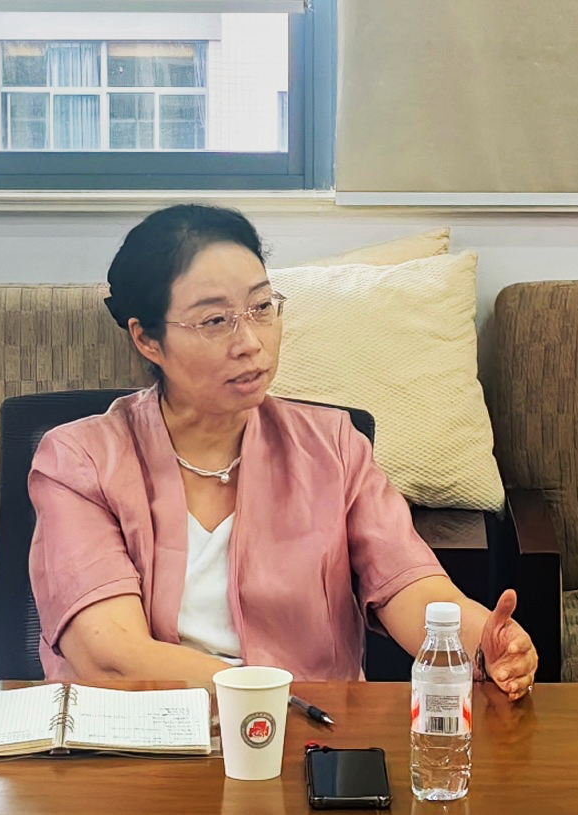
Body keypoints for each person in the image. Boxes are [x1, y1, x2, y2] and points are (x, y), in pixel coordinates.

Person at [29, 204, 538, 701]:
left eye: (261, 308)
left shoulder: (333, 447)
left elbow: (408, 585)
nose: (250, 342)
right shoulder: (80, 460)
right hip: (148, 735)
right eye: (215, 321)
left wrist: (481, 642)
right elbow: (110, 654)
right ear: (147, 339)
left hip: (309, 738)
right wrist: (261, 696)